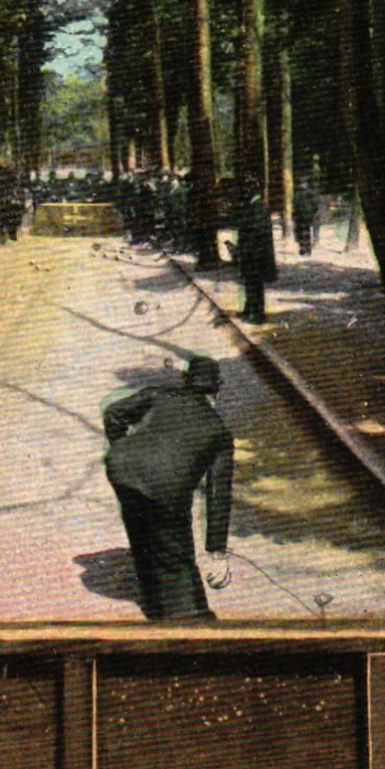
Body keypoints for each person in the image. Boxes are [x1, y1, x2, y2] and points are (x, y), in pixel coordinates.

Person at [103, 356, 234, 621]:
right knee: (175, 552)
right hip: (166, 489)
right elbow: (217, 495)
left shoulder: (158, 394)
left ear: (185, 381)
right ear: (217, 388)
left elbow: (113, 413)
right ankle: (187, 617)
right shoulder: (218, 431)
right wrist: (217, 551)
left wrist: (121, 448)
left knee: (141, 534)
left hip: (122, 473)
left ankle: (154, 606)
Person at [235, 174, 277, 322]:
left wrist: (245, 248)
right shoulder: (253, 206)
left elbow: (256, 232)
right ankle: (249, 309)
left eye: (247, 189)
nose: (244, 192)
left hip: (256, 254)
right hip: (251, 252)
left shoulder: (259, 207)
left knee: (255, 284)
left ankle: (258, 314)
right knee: (249, 282)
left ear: (253, 191)